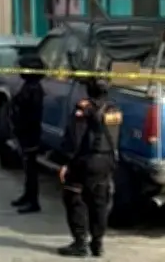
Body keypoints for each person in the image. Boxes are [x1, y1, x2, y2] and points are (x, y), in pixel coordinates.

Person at [57, 77, 122, 258]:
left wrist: (65, 161)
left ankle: (80, 243)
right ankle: (97, 244)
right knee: (99, 202)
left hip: (86, 160)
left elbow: (75, 138)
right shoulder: (114, 109)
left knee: (74, 198)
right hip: (107, 160)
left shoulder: (84, 109)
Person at [10, 53, 46, 214]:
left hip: (30, 133)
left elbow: (30, 113)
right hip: (24, 132)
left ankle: (33, 201)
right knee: (26, 167)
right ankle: (27, 195)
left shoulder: (34, 89)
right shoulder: (28, 86)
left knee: (31, 167)